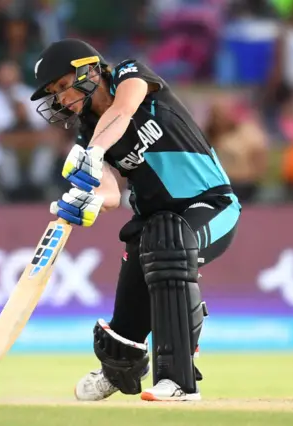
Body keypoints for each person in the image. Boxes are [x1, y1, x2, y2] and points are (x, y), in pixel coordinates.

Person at [30, 39, 241, 402]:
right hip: (154, 223)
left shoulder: (130, 74)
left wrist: (93, 152)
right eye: (55, 93)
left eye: (64, 86)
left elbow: (124, 110)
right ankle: (119, 370)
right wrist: (87, 199)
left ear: (90, 69)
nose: (63, 99)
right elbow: (111, 192)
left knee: (170, 242)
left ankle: (178, 380)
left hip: (211, 205)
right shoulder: (88, 130)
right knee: (126, 321)